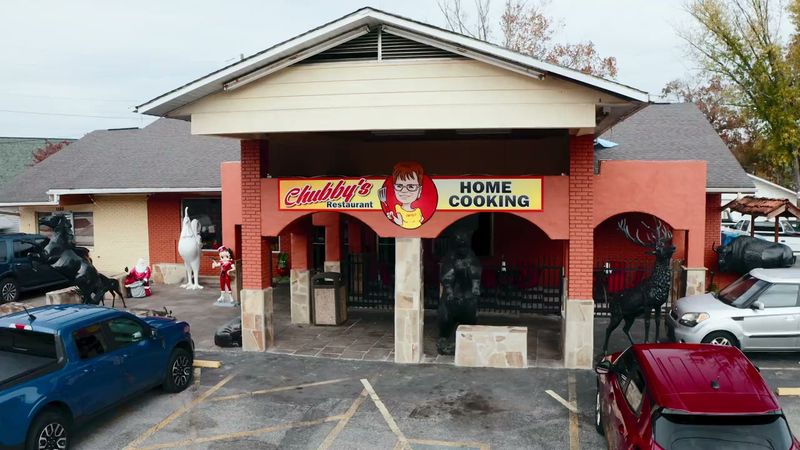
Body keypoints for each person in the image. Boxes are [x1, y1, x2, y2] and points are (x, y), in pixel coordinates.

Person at [387, 162, 424, 229]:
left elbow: (421, 220)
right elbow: (400, 222)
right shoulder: (398, 208)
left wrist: (392, 217)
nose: (404, 190)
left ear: (419, 190)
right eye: (399, 186)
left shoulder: (418, 210)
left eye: (411, 186)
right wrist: (391, 217)